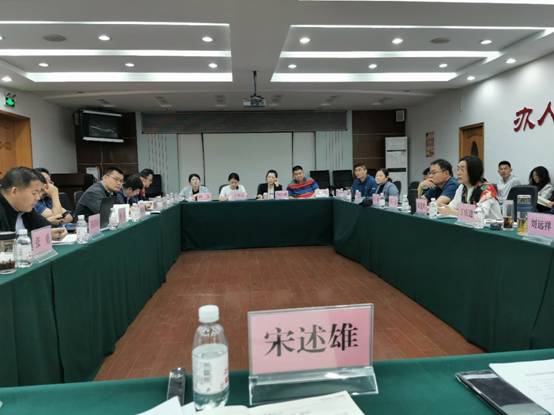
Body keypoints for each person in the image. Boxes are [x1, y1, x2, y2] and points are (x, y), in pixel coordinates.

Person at [0, 167, 67, 240]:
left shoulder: (25, 209)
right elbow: (4, 242)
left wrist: (57, 232)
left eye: (39, 192)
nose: (38, 198)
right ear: (14, 191)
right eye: (34, 193)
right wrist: (40, 236)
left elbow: (47, 227)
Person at [439, 156, 502, 220]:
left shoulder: (486, 188)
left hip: (492, 225)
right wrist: (441, 208)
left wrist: (454, 212)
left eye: (462, 170)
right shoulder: (462, 187)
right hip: (470, 224)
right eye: (458, 169)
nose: (458, 173)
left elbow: (479, 216)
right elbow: (452, 207)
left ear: (473, 171)